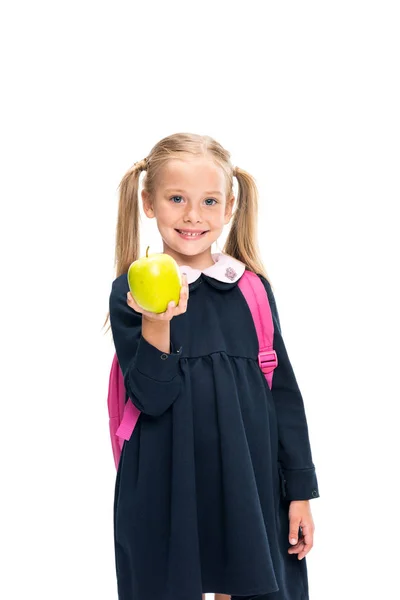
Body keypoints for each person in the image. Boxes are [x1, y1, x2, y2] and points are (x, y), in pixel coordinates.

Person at [105, 132, 320, 600]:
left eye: (208, 201)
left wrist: (299, 490)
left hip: (248, 477)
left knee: (247, 585)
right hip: (166, 479)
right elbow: (152, 396)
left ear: (228, 207)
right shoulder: (132, 291)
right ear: (148, 201)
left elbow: (282, 394)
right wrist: (156, 323)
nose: (192, 215)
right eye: (176, 198)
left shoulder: (251, 290)